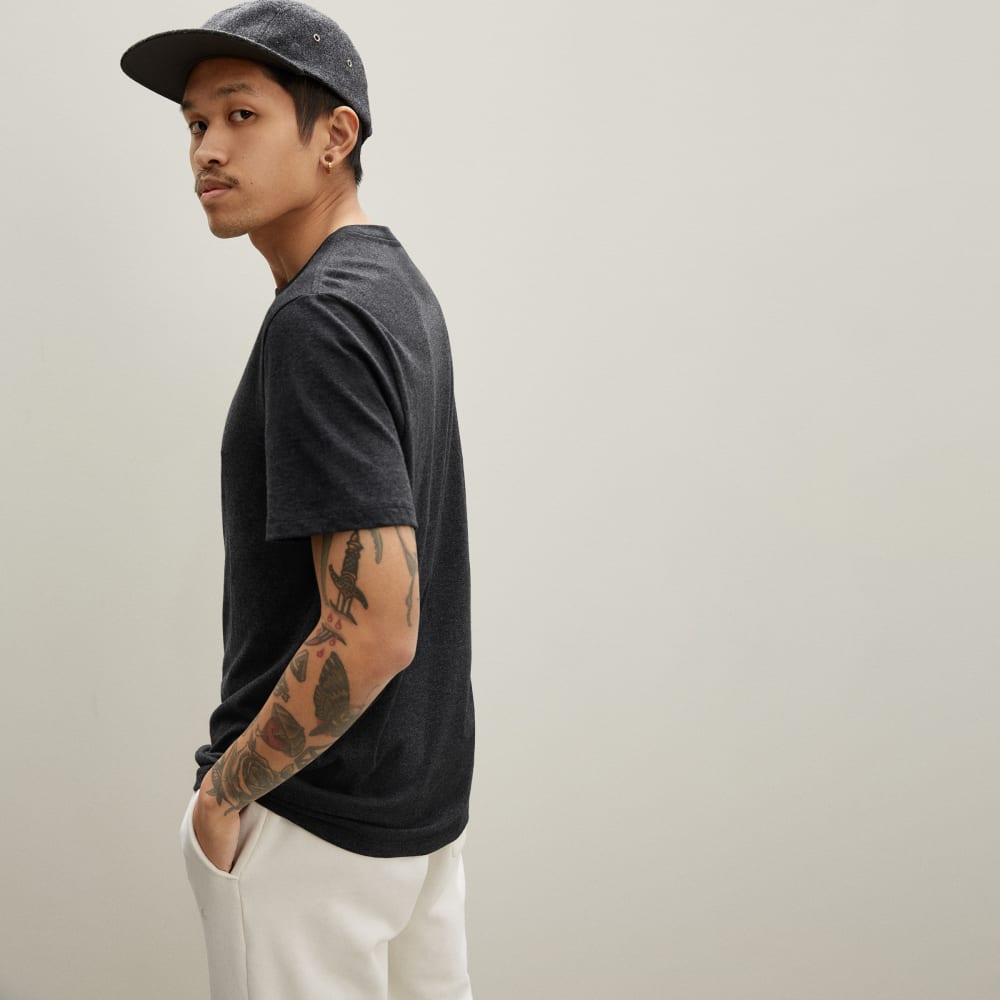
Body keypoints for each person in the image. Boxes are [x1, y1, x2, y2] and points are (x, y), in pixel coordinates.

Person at [121, 3, 474, 997]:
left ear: (335, 137)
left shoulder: (318, 319)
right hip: (413, 821)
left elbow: (376, 625)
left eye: (242, 115)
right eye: (196, 123)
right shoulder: (394, 285)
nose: (208, 149)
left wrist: (224, 794)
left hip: (309, 826)